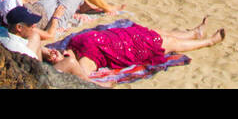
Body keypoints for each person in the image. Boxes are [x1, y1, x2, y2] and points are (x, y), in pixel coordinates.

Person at [40, 18, 225, 86]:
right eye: (55, 57)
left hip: (123, 35)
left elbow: (39, 47)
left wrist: (51, 53)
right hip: (128, 49)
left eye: (53, 54)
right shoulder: (85, 61)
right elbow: (83, 78)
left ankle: (194, 33)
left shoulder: (66, 46)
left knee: (158, 32)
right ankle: (209, 41)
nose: (54, 54)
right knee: (167, 43)